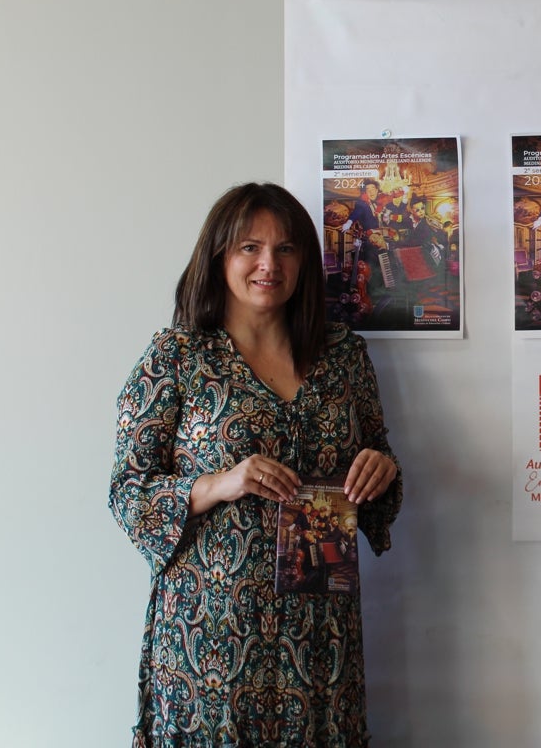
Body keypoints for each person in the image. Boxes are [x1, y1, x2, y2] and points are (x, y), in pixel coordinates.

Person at [110, 182, 402, 747]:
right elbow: (128, 492)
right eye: (250, 247)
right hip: (211, 637)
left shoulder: (343, 355)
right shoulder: (177, 356)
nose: (269, 263)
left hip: (322, 634)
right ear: (219, 256)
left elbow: (380, 462)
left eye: (286, 249)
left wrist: (381, 470)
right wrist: (222, 483)